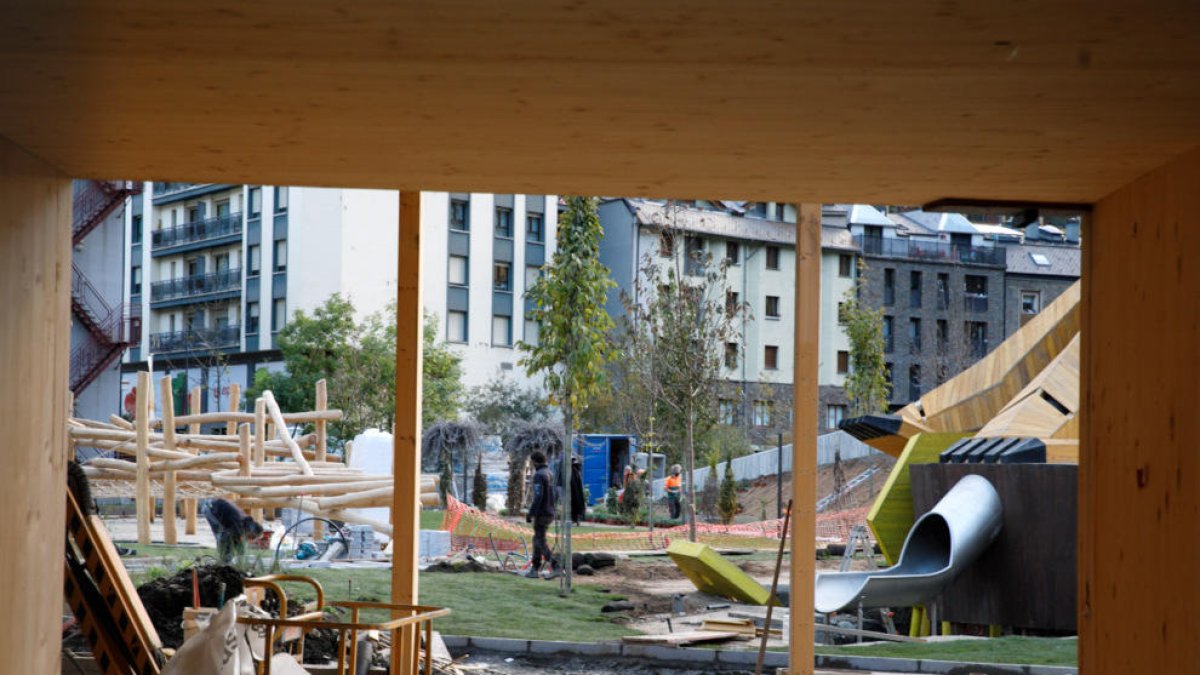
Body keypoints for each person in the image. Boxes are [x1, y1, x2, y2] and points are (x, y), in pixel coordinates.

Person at [525, 451, 558, 578]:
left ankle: (556, 565)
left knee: (540, 540)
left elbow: (538, 496)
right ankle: (535, 568)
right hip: (550, 511)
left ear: (534, 461)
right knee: (537, 539)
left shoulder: (539, 475)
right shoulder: (550, 473)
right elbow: (555, 494)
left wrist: (531, 513)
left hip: (542, 513)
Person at [203, 497, 265, 563]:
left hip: (217, 505)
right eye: (252, 537)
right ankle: (224, 561)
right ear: (251, 531)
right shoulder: (238, 524)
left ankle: (226, 560)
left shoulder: (245, 523)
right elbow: (228, 539)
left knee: (231, 538)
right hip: (210, 508)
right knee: (222, 535)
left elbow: (239, 542)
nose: (250, 539)